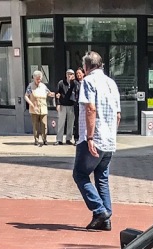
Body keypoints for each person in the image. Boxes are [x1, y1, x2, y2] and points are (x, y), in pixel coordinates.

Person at [73, 51, 120, 231]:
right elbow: (118, 115)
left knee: (80, 174)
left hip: (93, 138)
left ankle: (100, 211)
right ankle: (105, 218)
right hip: (109, 140)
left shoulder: (88, 81)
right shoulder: (111, 83)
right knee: (102, 178)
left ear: (87, 67)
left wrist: (90, 137)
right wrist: (111, 135)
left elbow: (91, 108)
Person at [25, 70, 51, 146]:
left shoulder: (43, 86)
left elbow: (49, 93)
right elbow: (26, 96)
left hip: (43, 108)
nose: (39, 80)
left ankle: (44, 139)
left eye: (40, 79)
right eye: (37, 79)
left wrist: (53, 94)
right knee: (35, 125)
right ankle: (36, 140)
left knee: (44, 124)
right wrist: (31, 104)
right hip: (34, 108)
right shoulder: (30, 86)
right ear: (34, 78)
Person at [55, 68, 79, 145]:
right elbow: (57, 94)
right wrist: (58, 104)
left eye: (71, 74)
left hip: (71, 105)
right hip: (63, 105)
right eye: (68, 74)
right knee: (61, 122)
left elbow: (77, 90)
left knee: (71, 123)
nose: (70, 76)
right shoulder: (61, 83)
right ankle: (59, 139)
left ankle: (68, 139)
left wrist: (74, 82)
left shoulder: (75, 83)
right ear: (66, 75)